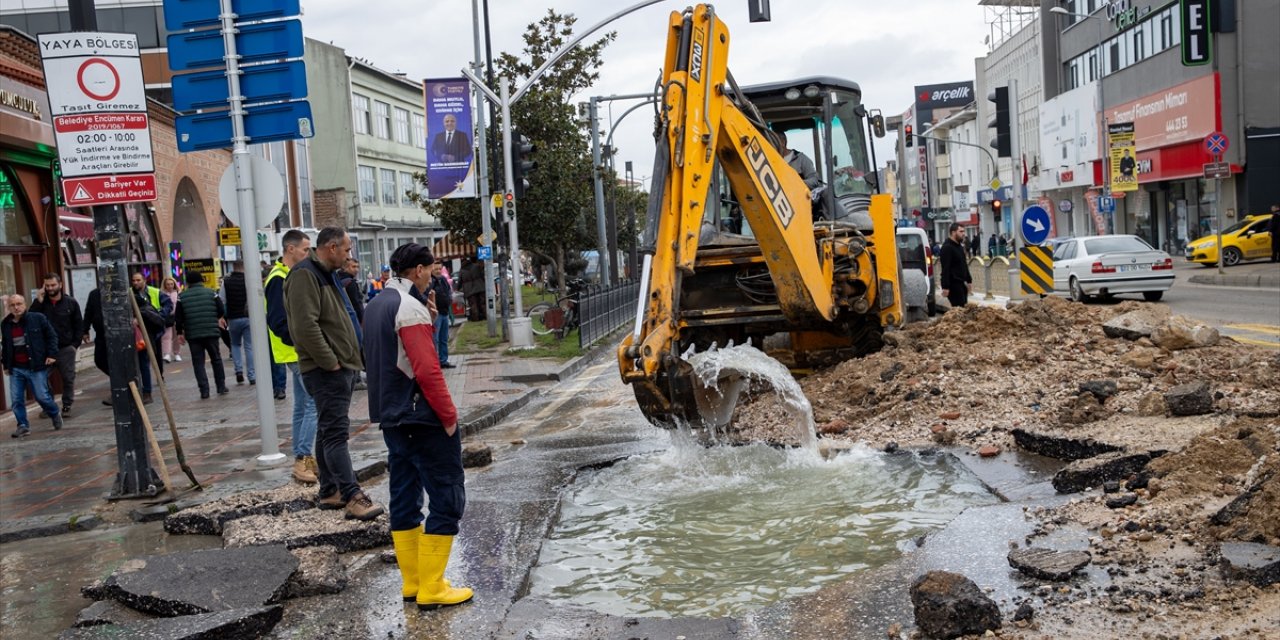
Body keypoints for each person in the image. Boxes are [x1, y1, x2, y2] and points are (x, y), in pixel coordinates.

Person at [363, 243, 470, 610]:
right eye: (431, 269)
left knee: (405, 498)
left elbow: (396, 358)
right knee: (447, 497)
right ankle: (434, 587)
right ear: (419, 271)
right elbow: (426, 369)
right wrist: (449, 416)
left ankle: (413, 583)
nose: (433, 275)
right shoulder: (410, 309)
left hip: (392, 418)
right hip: (421, 418)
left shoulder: (378, 303)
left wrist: (434, 318)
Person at [283, 226, 384, 521]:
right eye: (346, 249)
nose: (349, 255)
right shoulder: (305, 275)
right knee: (337, 434)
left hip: (341, 366)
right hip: (326, 370)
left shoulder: (327, 274)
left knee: (328, 429)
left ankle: (330, 491)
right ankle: (352, 495)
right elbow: (305, 326)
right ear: (330, 247)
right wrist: (330, 361)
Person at [266, 230, 319, 484]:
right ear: (290, 249)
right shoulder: (279, 278)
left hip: (292, 350)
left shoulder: (287, 275)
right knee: (312, 404)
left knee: (301, 406)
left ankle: (303, 457)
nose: (307, 254)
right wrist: (300, 342)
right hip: (295, 350)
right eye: (305, 249)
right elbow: (277, 320)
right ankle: (304, 458)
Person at [3, 295, 62, 436]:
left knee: (42, 396)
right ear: (9, 307)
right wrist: (6, 364)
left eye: (19, 304)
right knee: (16, 399)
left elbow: (52, 336)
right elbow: (5, 346)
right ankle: (23, 425)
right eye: (12, 305)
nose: (16, 307)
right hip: (16, 367)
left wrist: (52, 354)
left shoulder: (37, 318)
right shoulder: (5, 324)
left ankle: (54, 413)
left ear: (25, 304)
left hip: (36, 365)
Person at [30, 273, 82, 417]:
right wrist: (38, 301)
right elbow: (30, 320)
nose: (50, 288)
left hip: (65, 348)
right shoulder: (41, 303)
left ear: (60, 285)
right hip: (45, 350)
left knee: (68, 378)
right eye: (47, 285)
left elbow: (78, 324)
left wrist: (74, 345)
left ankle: (67, 405)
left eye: (53, 285)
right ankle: (49, 405)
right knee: (41, 377)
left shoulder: (70, 302)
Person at [175, 270, 229, 399]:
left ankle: (204, 390)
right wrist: (214, 317)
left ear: (187, 282)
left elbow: (178, 317)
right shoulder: (211, 293)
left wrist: (179, 333)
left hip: (193, 334)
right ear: (201, 280)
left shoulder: (182, 297)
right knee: (216, 359)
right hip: (211, 332)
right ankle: (221, 386)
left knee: (198, 363)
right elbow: (221, 309)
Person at [130, 272, 171, 405]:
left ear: (144, 280)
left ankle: (150, 388)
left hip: (150, 332)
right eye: (133, 280)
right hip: (135, 336)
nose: (135, 283)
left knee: (149, 360)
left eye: (138, 280)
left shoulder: (154, 292)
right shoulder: (129, 294)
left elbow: (167, 305)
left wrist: (159, 315)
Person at [221, 262, 254, 385]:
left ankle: (239, 371)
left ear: (233, 268)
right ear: (244, 267)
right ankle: (251, 375)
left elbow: (222, 300)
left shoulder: (226, 281)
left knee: (235, 345)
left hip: (233, 318)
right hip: (248, 317)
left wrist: (222, 316)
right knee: (249, 346)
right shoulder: (249, 280)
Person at [940, 223, 972, 309]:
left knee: (964, 309)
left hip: (962, 284)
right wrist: (945, 286)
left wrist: (969, 280)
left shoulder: (959, 247)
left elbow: (964, 264)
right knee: (959, 310)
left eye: (964, 231)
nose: (963, 234)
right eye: (961, 231)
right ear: (953, 232)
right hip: (953, 285)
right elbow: (945, 268)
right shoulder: (947, 247)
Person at [430, 261, 455, 369]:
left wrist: (449, 301)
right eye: (436, 269)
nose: (439, 271)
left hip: (444, 312)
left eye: (440, 269)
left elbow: (449, 292)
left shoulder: (443, 280)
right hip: (436, 314)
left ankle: (443, 360)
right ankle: (435, 362)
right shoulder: (430, 281)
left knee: (444, 338)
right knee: (435, 339)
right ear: (432, 270)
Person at [159, 276, 184, 362]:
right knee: (166, 336)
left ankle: (176, 353)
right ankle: (167, 354)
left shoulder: (178, 293)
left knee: (176, 336)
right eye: (168, 284)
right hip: (167, 317)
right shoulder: (162, 294)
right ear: (165, 285)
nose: (170, 286)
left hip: (177, 317)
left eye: (171, 284)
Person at [339, 258, 365, 326]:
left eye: (357, 267)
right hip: (352, 319)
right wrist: (362, 319)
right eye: (353, 267)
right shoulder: (350, 283)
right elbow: (356, 303)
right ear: (345, 268)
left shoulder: (337, 279)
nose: (356, 270)